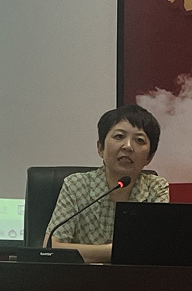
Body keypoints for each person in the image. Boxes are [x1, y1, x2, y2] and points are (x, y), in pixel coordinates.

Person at [44, 104, 169, 263]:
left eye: (139, 140)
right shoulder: (76, 185)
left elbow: (155, 250)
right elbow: (51, 248)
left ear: (149, 157)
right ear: (100, 148)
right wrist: (118, 250)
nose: (128, 146)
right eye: (119, 136)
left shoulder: (155, 188)